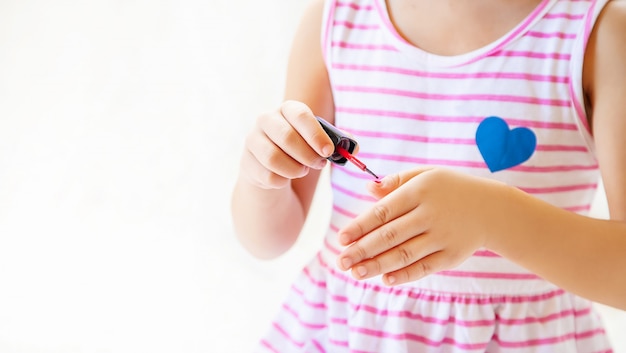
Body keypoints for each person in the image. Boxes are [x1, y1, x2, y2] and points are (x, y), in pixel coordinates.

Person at [231, 0, 626, 351]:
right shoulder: (337, 19)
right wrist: (261, 174)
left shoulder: (600, 35)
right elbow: (268, 241)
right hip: (344, 333)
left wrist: (492, 217)